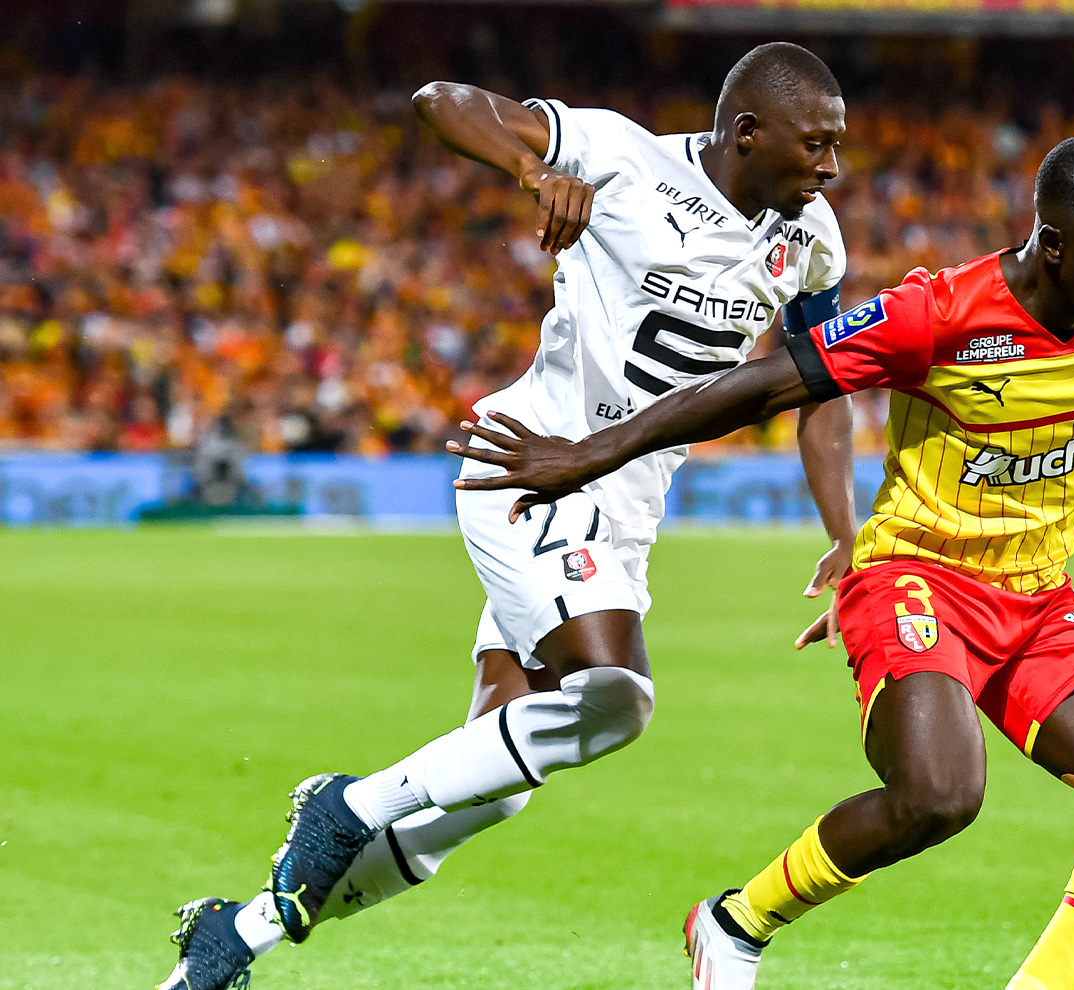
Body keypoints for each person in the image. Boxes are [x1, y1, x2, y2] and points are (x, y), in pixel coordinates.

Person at [451, 135, 1074, 990]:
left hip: (1038, 598)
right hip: (914, 578)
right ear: (1052, 244)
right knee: (940, 796)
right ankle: (735, 921)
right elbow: (771, 384)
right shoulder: (937, 314)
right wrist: (589, 453)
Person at [158, 42, 859, 990]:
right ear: (748, 133)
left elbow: (821, 385)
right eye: (816, 145)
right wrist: (534, 172)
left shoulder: (812, 238)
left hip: (624, 514)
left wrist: (842, 530)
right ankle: (350, 807)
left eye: (835, 145)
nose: (831, 166)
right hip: (529, 469)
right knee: (615, 696)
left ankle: (234, 939)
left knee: (493, 787)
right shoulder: (619, 154)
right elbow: (439, 97)